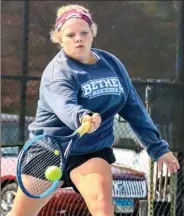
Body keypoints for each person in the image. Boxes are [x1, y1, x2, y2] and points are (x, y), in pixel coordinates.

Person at [8, 4, 180, 216]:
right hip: (49, 150)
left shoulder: (112, 64)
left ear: (92, 34)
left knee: (102, 206)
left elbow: (134, 108)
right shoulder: (57, 72)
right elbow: (65, 106)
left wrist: (158, 148)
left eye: (84, 33)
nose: (78, 38)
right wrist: (82, 117)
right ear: (59, 39)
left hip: (91, 151)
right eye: (70, 35)